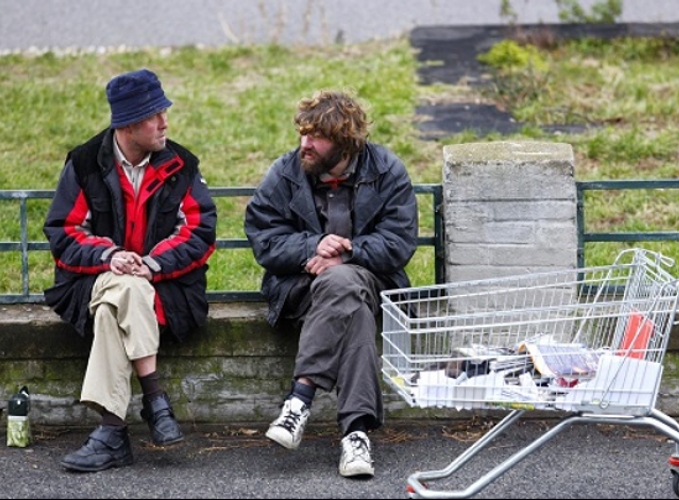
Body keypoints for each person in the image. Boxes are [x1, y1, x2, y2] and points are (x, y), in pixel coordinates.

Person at [43, 68, 217, 473]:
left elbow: (200, 231)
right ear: (128, 124)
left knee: (114, 307)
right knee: (122, 287)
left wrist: (150, 265)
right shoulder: (85, 163)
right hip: (92, 280)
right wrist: (110, 257)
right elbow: (64, 232)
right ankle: (154, 399)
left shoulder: (181, 164)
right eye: (155, 114)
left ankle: (111, 432)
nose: (165, 122)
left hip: (168, 289)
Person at [244, 90, 419, 478]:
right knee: (350, 306)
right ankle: (356, 435)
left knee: (345, 281)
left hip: (373, 281)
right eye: (302, 134)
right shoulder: (286, 172)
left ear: (344, 142)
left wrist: (350, 251)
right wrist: (312, 245)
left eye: (315, 137)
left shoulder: (386, 170)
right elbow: (264, 238)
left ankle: (299, 400)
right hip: (301, 288)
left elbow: (399, 242)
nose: (304, 144)